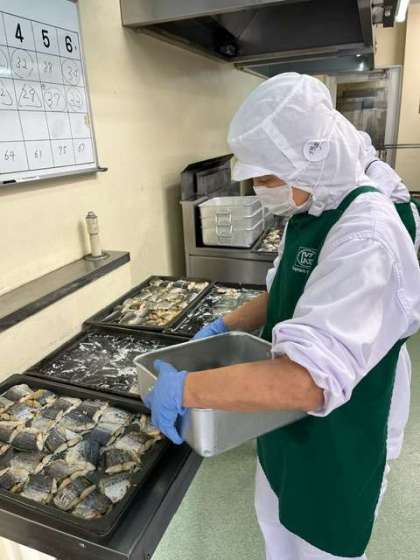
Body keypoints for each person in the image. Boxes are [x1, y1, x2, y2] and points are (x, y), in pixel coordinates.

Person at [145, 73, 420, 559]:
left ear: (309, 158)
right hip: (285, 420)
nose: (258, 189)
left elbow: (309, 380)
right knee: (277, 528)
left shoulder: (367, 234)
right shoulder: (311, 208)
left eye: (267, 177)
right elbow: (285, 293)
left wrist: (186, 389)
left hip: (341, 426)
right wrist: (225, 326)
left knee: (317, 544)